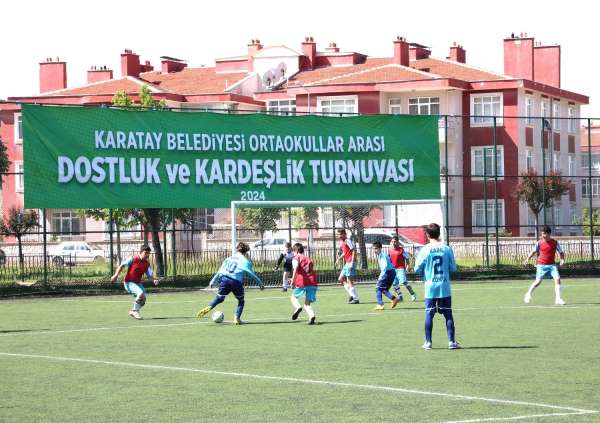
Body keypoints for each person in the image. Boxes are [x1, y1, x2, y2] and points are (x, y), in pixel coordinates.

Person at [414, 223, 460, 350]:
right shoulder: (446, 248)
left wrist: (426, 272)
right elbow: (453, 268)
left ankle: (428, 342)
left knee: (429, 314)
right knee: (448, 315)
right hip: (444, 286)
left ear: (427, 234)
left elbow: (417, 269)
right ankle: (451, 342)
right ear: (439, 233)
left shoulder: (425, 250)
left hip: (430, 287)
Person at [197, 242, 264, 325]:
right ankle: (237, 318)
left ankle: (209, 307)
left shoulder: (229, 258)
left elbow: (220, 270)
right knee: (241, 301)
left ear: (237, 249)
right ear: (246, 251)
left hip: (225, 280)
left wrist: (212, 281)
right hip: (236, 282)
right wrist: (260, 283)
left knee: (219, 298)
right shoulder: (245, 261)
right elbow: (251, 274)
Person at [111, 245, 159, 320]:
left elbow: (150, 275)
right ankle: (134, 311)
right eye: (145, 253)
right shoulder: (133, 259)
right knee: (141, 293)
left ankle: (134, 311)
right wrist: (115, 275)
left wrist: (154, 280)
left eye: (148, 253)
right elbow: (122, 266)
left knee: (143, 300)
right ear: (141, 252)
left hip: (138, 283)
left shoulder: (147, 264)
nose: (147, 255)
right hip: (128, 283)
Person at [523, 225, 566, 305]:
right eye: (542, 234)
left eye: (545, 234)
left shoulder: (555, 242)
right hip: (541, 265)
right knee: (538, 282)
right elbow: (533, 252)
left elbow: (561, 252)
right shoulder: (539, 243)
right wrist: (527, 259)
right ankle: (528, 294)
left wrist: (562, 260)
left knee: (557, 279)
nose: (543, 235)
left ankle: (558, 299)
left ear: (549, 234)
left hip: (552, 266)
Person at [289, 243, 318, 324]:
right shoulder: (308, 258)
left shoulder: (296, 258)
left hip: (302, 282)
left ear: (296, 251)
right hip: (312, 282)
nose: (293, 253)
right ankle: (311, 316)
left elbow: (296, 268)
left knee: (293, 297)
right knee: (307, 304)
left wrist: (293, 281)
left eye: (293, 251)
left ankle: (298, 307)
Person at [372, 241, 401, 311]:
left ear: (380, 248)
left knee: (378, 288)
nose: (374, 250)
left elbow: (385, 266)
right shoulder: (380, 255)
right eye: (373, 249)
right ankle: (394, 299)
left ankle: (380, 304)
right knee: (384, 289)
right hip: (391, 272)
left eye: (376, 248)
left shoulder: (382, 255)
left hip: (388, 273)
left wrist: (381, 276)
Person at [389, 235, 417, 302]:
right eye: (392, 242)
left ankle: (412, 294)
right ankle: (400, 296)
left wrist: (408, 265)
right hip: (393, 270)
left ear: (398, 242)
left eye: (395, 242)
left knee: (404, 282)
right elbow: (389, 259)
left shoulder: (401, 250)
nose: (393, 243)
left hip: (400, 268)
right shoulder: (390, 250)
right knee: (394, 284)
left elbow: (407, 258)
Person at [336, 229, 360, 304]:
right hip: (347, 262)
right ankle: (352, 295)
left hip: (350, 262)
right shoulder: (343, 242)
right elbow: (345, 252)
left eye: (340, 234)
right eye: (338, 234)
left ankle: (355, 299)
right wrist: (339, 259)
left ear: (344, 234)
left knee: (349, 280)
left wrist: (352, 262)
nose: (339, 236)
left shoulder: (347, 241)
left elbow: (353, 250)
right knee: (340, 279)